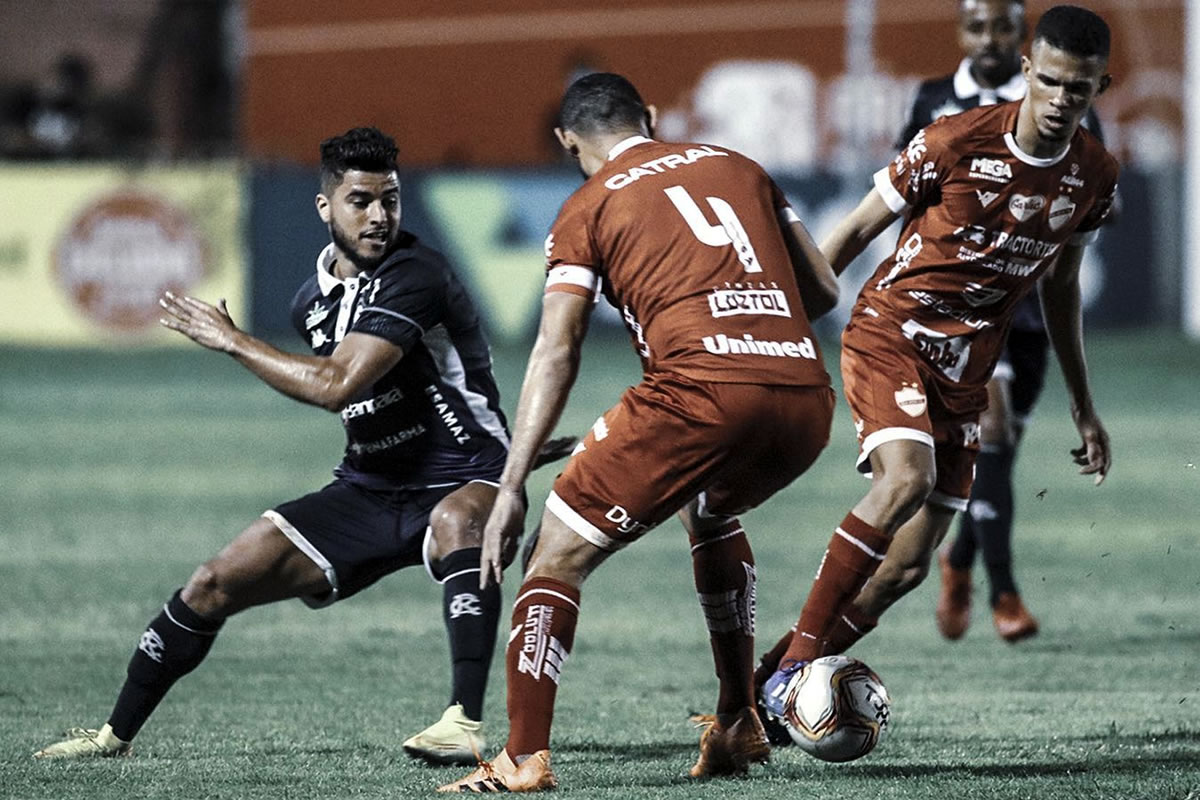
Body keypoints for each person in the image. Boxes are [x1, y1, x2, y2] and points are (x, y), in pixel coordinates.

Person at [33, 126, 571, 765]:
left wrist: (234, 341)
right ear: (325, 206)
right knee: (213, 582)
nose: (379, 216)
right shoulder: (308, 304)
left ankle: (464, 722)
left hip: (466, 475)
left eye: (391, 199)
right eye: (360, 201)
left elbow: (337, 386)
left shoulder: (417, 274)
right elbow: (363, 399)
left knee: (459, 520)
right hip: (368, 488)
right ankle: (110, 738)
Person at [437, 73, 840, 792]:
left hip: (700, 394)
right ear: (649, 116)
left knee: (553, 556)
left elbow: (557, 348)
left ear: (567, 142)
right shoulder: (740, 167)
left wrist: (511, 483)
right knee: (708, 509)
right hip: (805, 399)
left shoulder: (587, 205)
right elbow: (824, 292)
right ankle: (740, 720)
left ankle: (522, 758)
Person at [756, 4, 1117, 728]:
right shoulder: (952, 140)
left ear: (1098, 88)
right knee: (906, 480)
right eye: (1049, 82)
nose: (1060, 100)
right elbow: (855, 229)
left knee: (906, 568)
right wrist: (784, 334)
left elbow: (1061, 287)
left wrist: (1083, 404)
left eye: (1077, 89)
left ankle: (761, 692)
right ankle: (795, 673)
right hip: (892, 332)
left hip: (966, 372)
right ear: (1027, 70)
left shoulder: (1093, 175)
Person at [899, 0, 1108, 644]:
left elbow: (1095, 199)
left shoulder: (1068, 102)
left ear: (1021, 37)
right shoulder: (936, 101)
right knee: (990, 433)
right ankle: (1005, 593)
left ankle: (958, 560)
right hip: (966, 306)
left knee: (997, 453)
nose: (987, 38)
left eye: (1001, 26)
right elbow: (906, 191)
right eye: (976, 26)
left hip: (1032, 308)